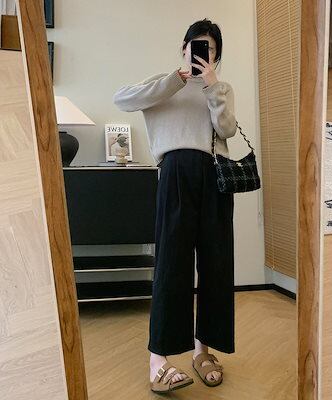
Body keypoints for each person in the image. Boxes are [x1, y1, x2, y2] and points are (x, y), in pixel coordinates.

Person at [113, 18, 237, 392]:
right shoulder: (162, 84)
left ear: (216, 56)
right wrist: (176, 80)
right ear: (184, 48)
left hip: (214, 176)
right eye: (196, 45)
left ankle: (203, 351)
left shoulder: (221, 88)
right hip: (175, 173)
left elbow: (228, 130)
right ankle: (158, 361)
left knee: (216, 265)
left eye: (209, 49)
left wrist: (212, 87)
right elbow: (122, 99)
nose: (201, 53)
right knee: (172, 264)